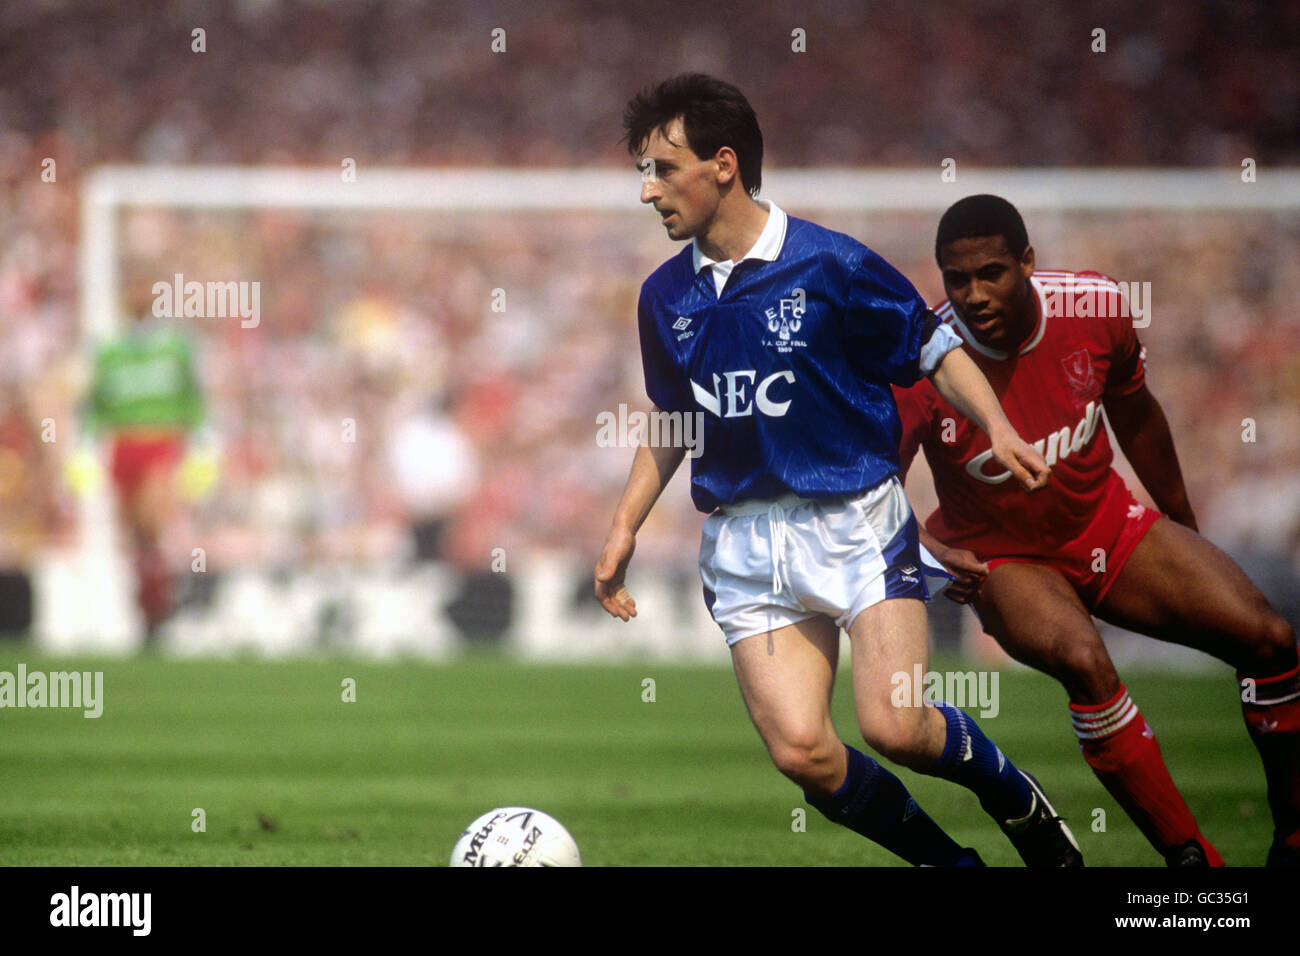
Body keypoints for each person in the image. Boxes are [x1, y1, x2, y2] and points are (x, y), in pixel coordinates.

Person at [594, 74, 1081, 866]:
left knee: (897, 727)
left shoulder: (831, 265)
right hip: (745, 544)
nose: (647, 191)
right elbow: (674, 417)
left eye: (660, 168)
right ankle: (949, 864)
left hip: (855, 524)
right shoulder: (663, 297)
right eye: (642, 172)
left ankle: (1013, 794)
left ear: (723, 164)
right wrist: (623, 531)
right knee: (803, 754)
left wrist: (997, 424)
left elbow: (932, 349)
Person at [894, 193, 1299, 866]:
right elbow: (874, 478)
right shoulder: (921, 362)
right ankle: (1194, 865)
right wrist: (933, 551)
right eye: (956, 279)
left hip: (1107, 525)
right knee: (1085, 662)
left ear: (1028, 261)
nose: (973, 294)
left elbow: (1136, 414)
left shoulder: (1096, 309)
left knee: (1271, 640)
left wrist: (1184, 524)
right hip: (1002, 560)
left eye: (991, 272)